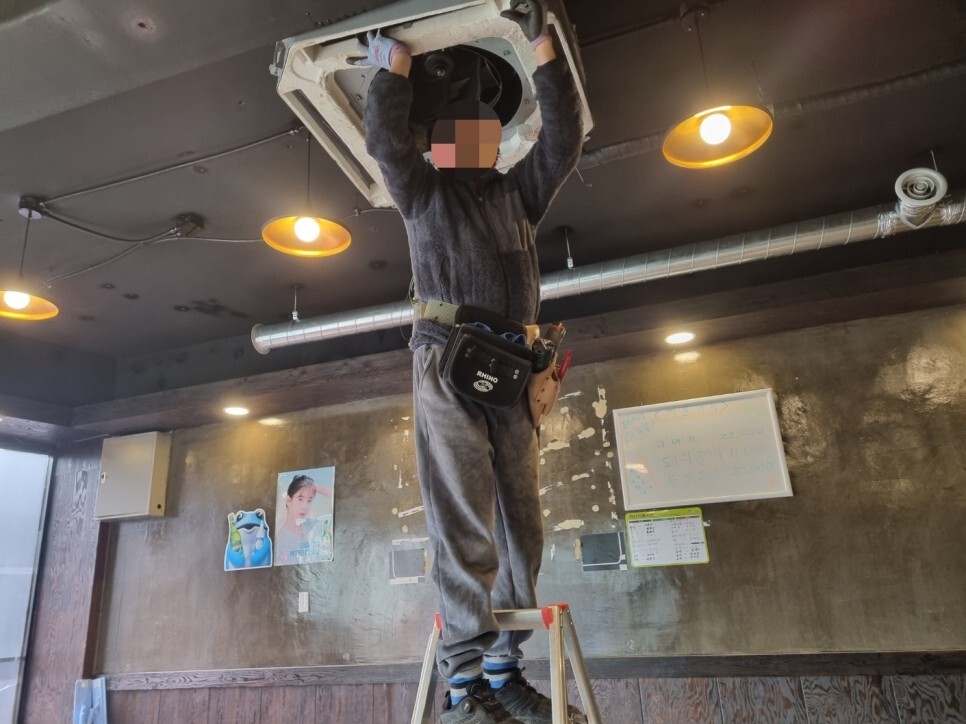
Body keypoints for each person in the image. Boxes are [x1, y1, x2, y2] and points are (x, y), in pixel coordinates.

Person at [355, 1, 585, 721]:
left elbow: (565, 138)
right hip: (446, 360)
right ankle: (463, 684)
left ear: (496, 142)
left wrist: (543, 48)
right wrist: (392, 71)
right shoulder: (421, 193)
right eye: (457, 135)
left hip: (514, 368)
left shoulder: (520, 194)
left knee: (522, 524)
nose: (472, 143)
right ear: (438, 147)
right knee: (462, 520)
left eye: (484, 133)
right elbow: (385, 144)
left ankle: (503, 667)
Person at [275, 473, 334, 566]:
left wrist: (312, 486)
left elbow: (335, 499)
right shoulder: (281, 537)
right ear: (289, 500)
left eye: (309, 500)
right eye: (300, 499)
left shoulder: (311, 525)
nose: (305, 506)